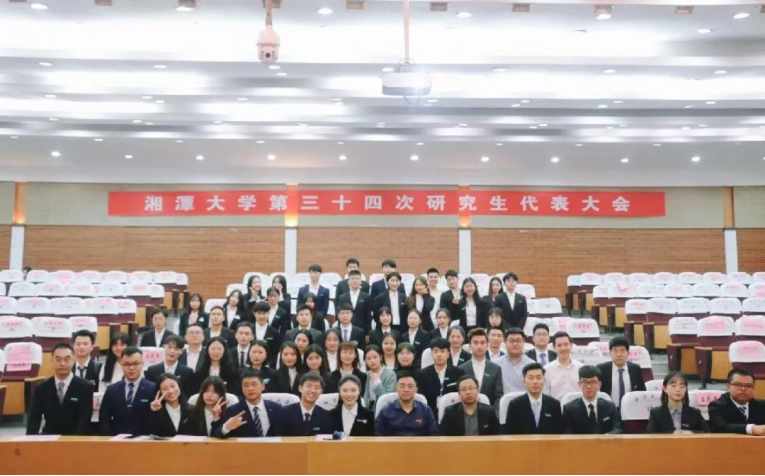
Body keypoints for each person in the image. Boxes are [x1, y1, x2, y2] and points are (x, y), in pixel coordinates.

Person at [26, 343, 94, 435]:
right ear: (51, 360)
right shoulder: (41, 388)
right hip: (49, 436)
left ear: (74, 360)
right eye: (58, 359)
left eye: (67, 359)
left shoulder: (85, 387)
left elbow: (84, 419)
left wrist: (74, 441)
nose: (62, 364)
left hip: (75, 437)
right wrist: (30, 440)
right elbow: (34, 419)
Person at [99, 347, 157, 436]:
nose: (131, 368)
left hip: (145, 440)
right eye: (127, 364)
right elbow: (104, 419)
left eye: (136, 364)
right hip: (117, 440)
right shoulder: (112, 390)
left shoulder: (153, 388)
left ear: (142, 364)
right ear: (121, 365)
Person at [215, 369, 283, 438]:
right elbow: (217, 435)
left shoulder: (276, 409)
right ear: (242, 388)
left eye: (254, 384)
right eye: (246, 385)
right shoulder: (234, 411)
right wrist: (227, 427)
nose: (250, 388)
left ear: (263, 387)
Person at [505, 363, 564, 435]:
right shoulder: (515, 405)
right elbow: (510, 433)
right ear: (524, 381)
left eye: (539, 378)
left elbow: (559, 433)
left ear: (544, 380)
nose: (535, 382)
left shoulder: (554, 404)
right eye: (531, 378)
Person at [375, 372, 438, 437]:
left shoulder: (426, 410)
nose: (406, 390)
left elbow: (433, 434)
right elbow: (378, 435)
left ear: (416, 390)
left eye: (410, 386)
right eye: (402, 386)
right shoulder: (386, 411)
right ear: (396, 389)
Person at [563, 366, 622, 435]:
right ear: (579, 384)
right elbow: (567, 431)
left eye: (593, 382)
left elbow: (618, 428)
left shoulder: (610, 406)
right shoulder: (569, 409)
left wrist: (607, 436)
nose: (589, 386)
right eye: (585, 382)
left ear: (599, 384)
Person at [416, 338, 464, 417]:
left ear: (448, 354)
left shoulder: (458, 372)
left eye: (442, 351)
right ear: (431, 354)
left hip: (453, 413)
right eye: (436, 351)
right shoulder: (422, 374)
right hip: (430, 413)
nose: (439, 354)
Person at [709, 368, 765, 435]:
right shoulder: (716, 406)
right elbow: (720, 427)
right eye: (738, 385)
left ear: (753, 388)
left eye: (748, 386)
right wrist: (751, 429)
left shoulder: (762, 405)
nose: (743, 389)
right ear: (728, 387)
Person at [597, 337, 646, 410]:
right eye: (615, 351)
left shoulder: (635, 369)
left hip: (631, 409)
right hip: (608, 409)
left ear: (628, 353)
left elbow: (642, 391)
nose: (619, 354)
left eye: (622, 351)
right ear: (610, 353)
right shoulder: (602, 369)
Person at [459, 328, 503, 407]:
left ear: (487, 345)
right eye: (475, 343)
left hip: (489, 411)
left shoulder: (495, 368)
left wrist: (494, 413)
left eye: (482, 343)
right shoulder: (462, 369)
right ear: (470, 345)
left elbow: (498, 395)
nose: (479, 346)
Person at [544, 332, 584, 401]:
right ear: (554, 348)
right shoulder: (547, 369)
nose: (563, 348)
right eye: (559, 345)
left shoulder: (581, 368)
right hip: (556, 406)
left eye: (566, 344)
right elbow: (545, 394)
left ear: (571, 345)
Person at [496, 328, 536, 394]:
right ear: (505, 342)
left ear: (524, 342)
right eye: (511, 341)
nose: (515, 344)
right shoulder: (496, 364)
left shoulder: (532, 365)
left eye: (518, 341)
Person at [364, 345, 397, 410]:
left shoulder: (390, 374)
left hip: (383, 410)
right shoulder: (365, 375)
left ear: (381, 357)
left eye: (375, 357)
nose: (372, 361)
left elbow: (388, 398)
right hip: (367, 410)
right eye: (369, 359)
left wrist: (377, 381)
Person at [251, 302, 282, 367]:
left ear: (268, 313)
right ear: (254, 314)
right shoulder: (249, 330)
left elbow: (276, 351)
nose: (261, 316)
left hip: (269, 366)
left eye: (264, 313)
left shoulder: (275, 332)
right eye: (259, 313)